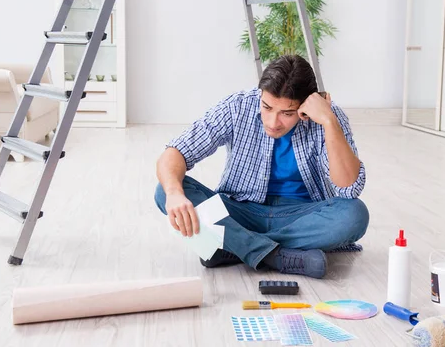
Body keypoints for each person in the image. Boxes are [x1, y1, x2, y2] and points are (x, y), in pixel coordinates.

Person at [155, 55, 369, 279]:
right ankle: (276, 255)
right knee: (166, 189)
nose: (273, 122)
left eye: (287, 113)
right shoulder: (238, 107)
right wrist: (173, 193)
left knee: (354, 214)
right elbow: (175, 153)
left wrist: (328, 121)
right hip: (241, 210)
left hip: (300, 217)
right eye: (267, 107)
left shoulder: (328, 119)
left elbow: (349, 189)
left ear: (307, 104)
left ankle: (234, 245)